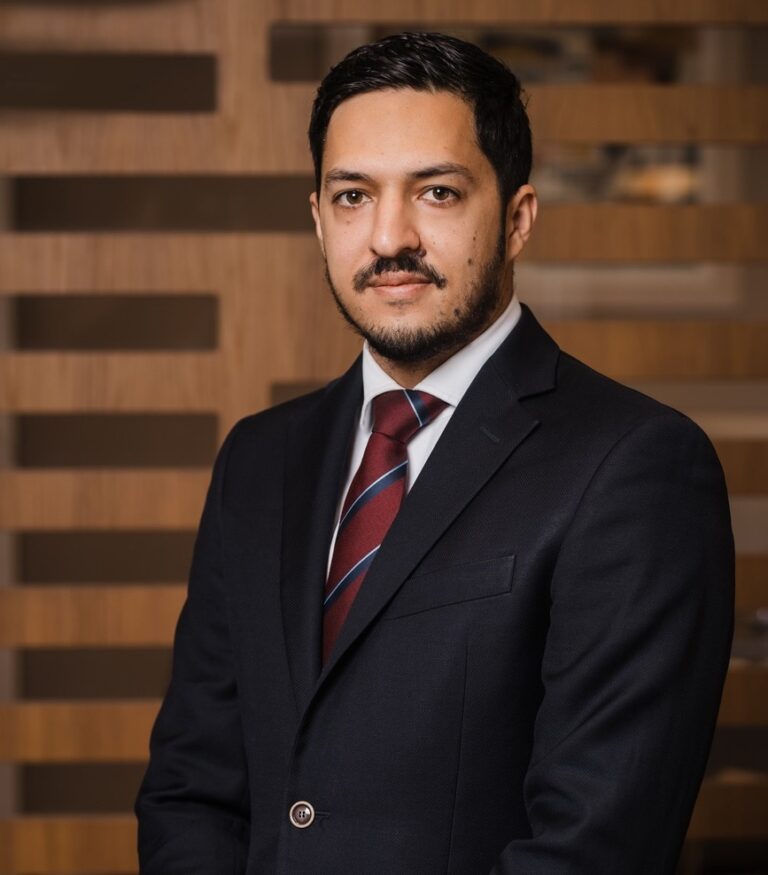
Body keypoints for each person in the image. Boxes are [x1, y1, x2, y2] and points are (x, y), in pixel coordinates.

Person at [135, 31, 734, 874]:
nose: (389, 237)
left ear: (518, 217)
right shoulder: (258, 461)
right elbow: (192, 788)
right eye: (351, 196)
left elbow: (595, 845)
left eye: (438, 193)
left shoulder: (636, 464)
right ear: (316, 217)